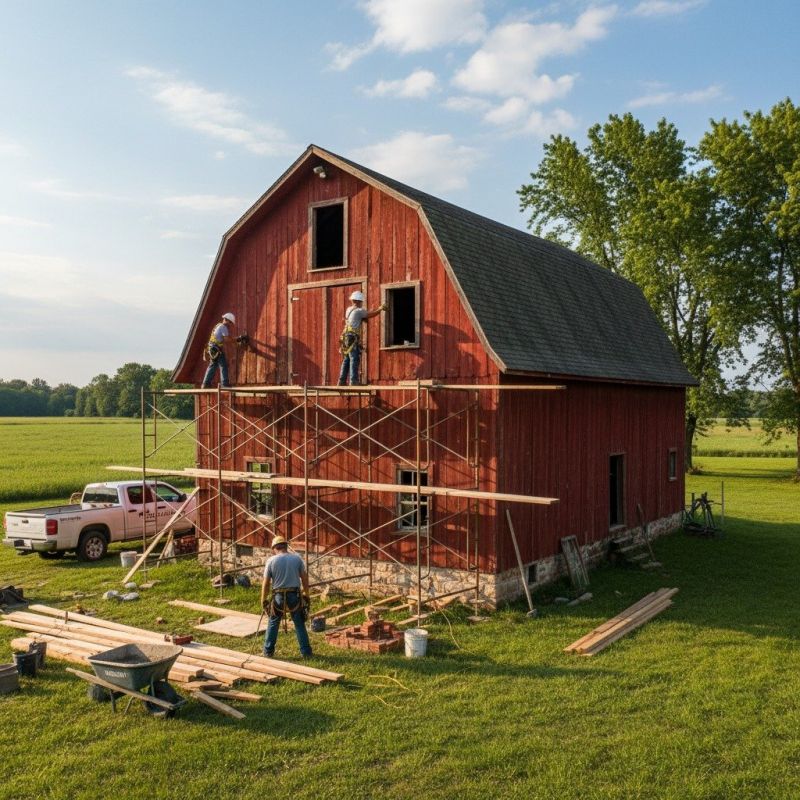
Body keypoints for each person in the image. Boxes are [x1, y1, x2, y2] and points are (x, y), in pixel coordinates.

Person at [260, 535, 313, 659]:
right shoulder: (297, 559)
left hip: (278, 595)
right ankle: (306, 652)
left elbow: (266, 582)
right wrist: (307, 594)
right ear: (285, 546)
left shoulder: (271, 561)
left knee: (273, 622)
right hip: (294, 594)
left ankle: (268, 651)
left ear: (274, 548)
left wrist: (263, 600)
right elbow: (304, 578)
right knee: (299, 623)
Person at [337, 291, 386, 386]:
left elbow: (357, 318)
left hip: (346, 336)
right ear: (359, 301)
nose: (362, 303)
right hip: (352, 337)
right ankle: (353, 381)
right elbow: (371, 314)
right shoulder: (359, 311)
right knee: (354, 358)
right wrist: (380, 309)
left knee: (346, 359)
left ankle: (341, 381)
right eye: (361, 301)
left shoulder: (349, 309)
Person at [201, 312, 236, 388]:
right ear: (226, 320)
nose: (230, 324)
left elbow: (221, 339)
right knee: (223, 365)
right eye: (230, 322)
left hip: (212, 348)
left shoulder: (218, 325)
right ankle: (225, 384)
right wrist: (236, 340)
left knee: (213, 365)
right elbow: (226, 339)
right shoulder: (223, 327)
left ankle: (205, 384)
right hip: (216, 349)